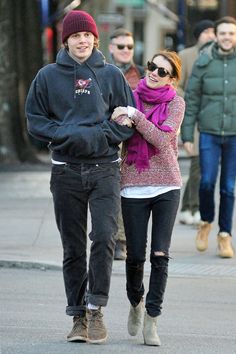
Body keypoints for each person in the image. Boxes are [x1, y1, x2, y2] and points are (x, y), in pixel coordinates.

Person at [25, 10, 135, 344]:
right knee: (72, 247)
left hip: (105, 169)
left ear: (94, 39)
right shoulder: (47, 76)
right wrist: (67, 134)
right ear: (66, 41)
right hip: (66, 171)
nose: (82, 41)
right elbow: (35, 120)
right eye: (75, 36)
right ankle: (77, 317)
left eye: (86, 35)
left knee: (104, 237)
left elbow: (127, 119)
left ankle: (96, 309)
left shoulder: (112, 75)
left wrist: (101, 136)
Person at [112, 51, 185, 346]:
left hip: (167, 184)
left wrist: (135, 116)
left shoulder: (176, 103)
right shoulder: (130, 95)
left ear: (173, 79)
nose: (154, 72)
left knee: (160, 255)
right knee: (136, 256)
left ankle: (152, 318)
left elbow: (161, 139)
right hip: (132, 184)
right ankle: (136, 303)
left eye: (162, 71)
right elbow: (116, 124)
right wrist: (121, 116)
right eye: (152, 67)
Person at [181, 16, 236, 258]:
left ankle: (225, 235)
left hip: (234, 134)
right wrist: (186, 134)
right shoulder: (204, 62)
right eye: (223, 33)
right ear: (216, 35)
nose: (227, 37)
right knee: (206, 182)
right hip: (209, 133)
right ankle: (205, 222)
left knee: (228, 188)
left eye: (231, 33)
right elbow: (191, 100)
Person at [109, 28, 145, 260]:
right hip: (111, 137)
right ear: (111, 47)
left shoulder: (142, 73)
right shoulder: (103, 71)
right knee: (114, 188)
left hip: (136, 139)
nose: (125, 51)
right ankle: (118, 240)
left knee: (132, 190)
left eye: (129, 47)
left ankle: (129, 240)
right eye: (121, 46)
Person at [178, 19, 215, 226]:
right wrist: (193, 97)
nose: (211, 35)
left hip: (212, 118)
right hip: (192, 116)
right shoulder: (186, 56)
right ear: (198, 34)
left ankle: (188, 207)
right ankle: (192, 207)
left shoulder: (219, 57)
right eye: (207, 31)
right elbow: (176, 86)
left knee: (201, 165)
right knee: (197, 163)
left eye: (213, 31)